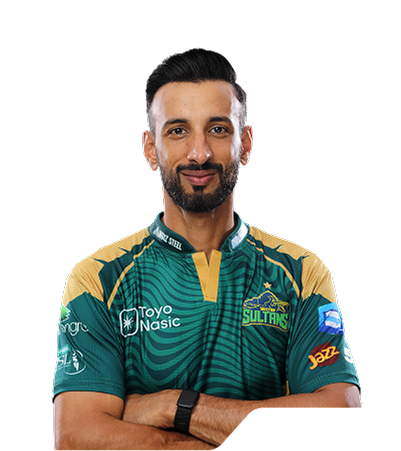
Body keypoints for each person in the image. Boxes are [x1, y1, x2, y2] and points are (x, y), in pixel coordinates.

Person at [53, 48, 361, 450]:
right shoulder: (97, 278)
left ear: (245, 144)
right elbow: (77, 438)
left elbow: (340, 411)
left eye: (217, 129)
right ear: (150, 149)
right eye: (177, 131)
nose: (199, 154)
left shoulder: (302, 272)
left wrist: (175, 407)